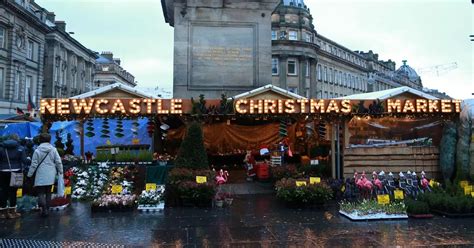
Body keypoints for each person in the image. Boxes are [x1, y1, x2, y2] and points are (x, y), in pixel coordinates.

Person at [27, 133, 63, 217]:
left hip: (40, 173)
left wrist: (29, 174)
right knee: (48, 192)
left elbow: (34, 164)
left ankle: (43, 207)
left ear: (40, 140)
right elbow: (58, 161)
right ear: (49, 140)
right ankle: (47, 208)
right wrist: (60, 171)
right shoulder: (53, 149)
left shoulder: (37, 150)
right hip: (51, 173)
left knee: (40, 192)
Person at [0, 134, 28, 219]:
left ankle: (2, 212)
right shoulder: (20, 148)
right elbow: (24, 161)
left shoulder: (1, 148)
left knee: (3, 191)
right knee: (13, 191)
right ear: (17, 140)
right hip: (17, 171)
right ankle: (13, 212)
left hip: (3, 171)